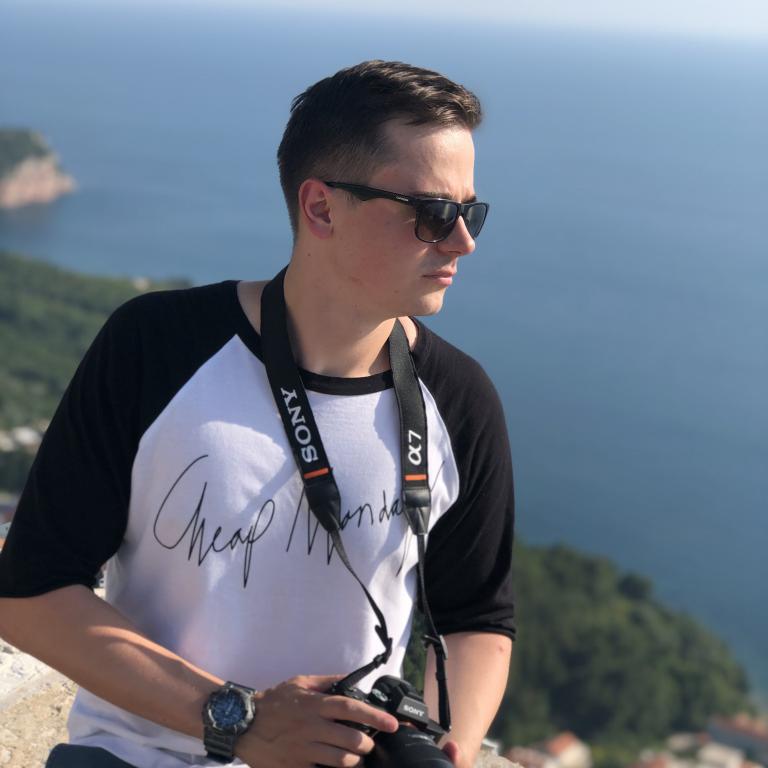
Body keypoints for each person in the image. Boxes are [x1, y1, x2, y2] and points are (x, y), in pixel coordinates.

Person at [0, 60, 515, 768]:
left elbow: (476, 618)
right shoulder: (157, 346)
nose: (462, 242)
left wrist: (446, 748)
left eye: (469, 213)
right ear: (321, 208)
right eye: (432, 213)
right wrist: (238, 720)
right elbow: (29, 593)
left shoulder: (458, 398)